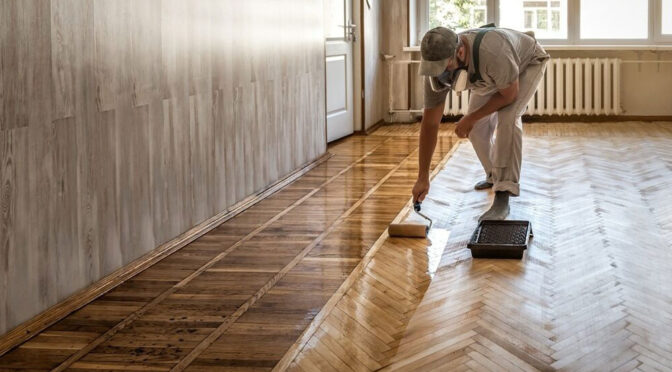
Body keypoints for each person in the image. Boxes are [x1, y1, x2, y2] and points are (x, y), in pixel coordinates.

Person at [411, 25, 550, 221]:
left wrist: (470, 117)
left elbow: (509, 96)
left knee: (508, 118)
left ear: (460, 52)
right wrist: (422, 177)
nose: (441, 75)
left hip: (527, 63)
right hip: (490, 74)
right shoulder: (435, 70)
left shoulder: (493, 51)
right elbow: (430, 124)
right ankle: (494, 175)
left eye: (445, 67)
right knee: (475, 129)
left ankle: (503, 195)